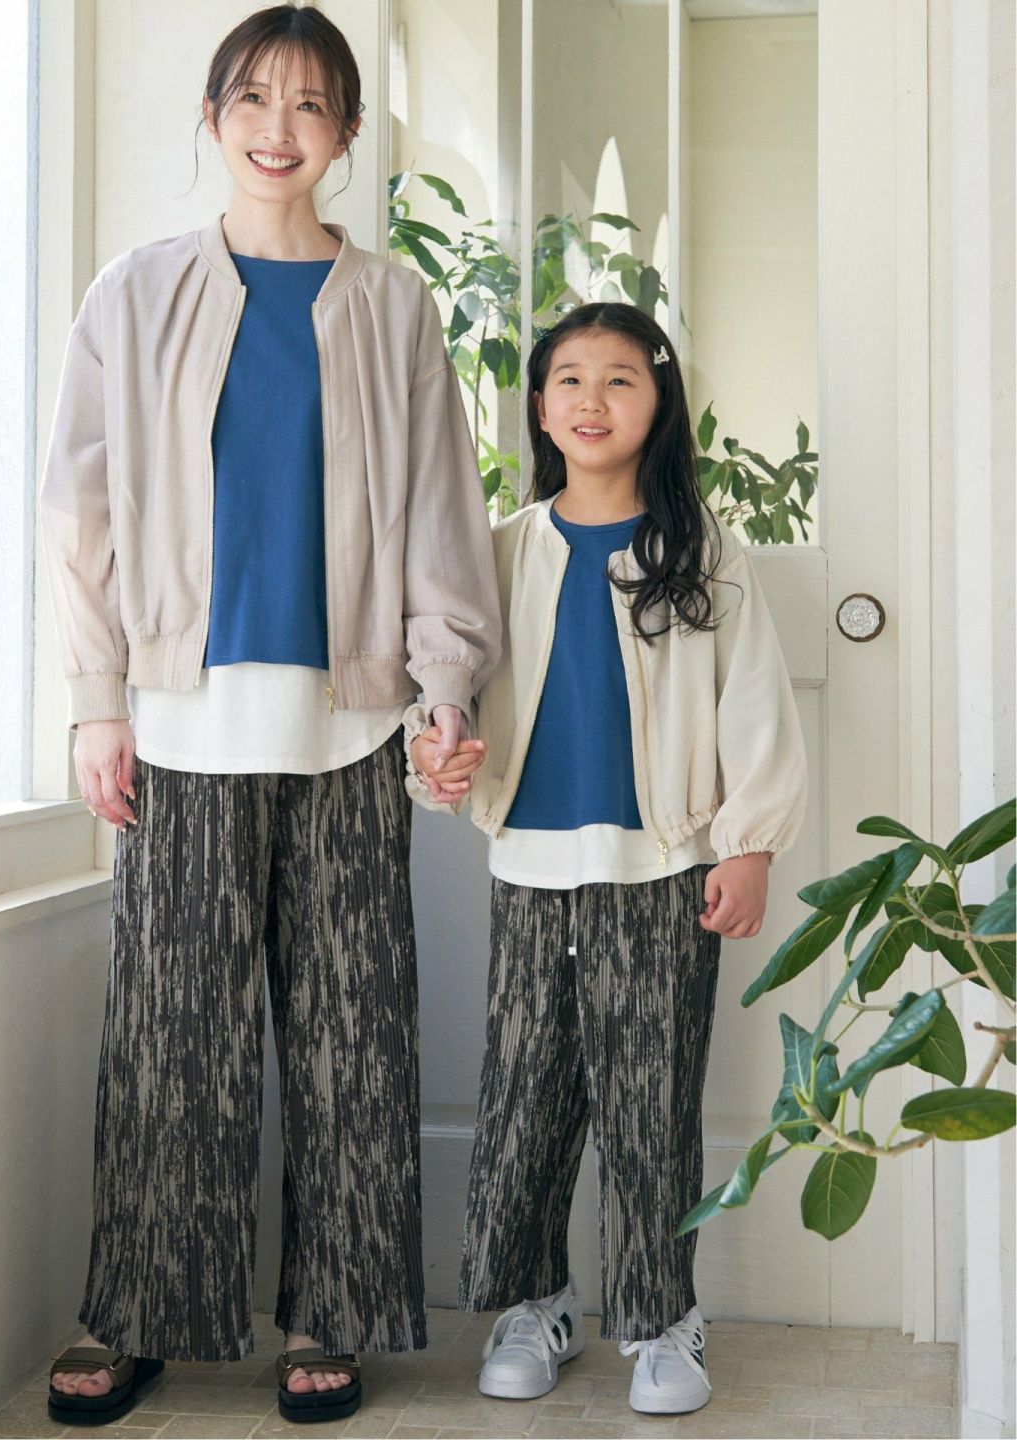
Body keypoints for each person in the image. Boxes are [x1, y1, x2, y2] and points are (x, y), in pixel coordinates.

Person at [37, 4, 500, 1426]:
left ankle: (331, 1320)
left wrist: (445, 688)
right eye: (252, 98)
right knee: (171, 1039)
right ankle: (139, 1315)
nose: (278, 128)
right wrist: (95, 703)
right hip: (177, 728)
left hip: (349, 729)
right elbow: (79, 513)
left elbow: (441, 514)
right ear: (213, 116)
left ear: (347, 132)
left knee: (354, 1036)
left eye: (309, 103)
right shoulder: (133, 293)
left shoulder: (395, 306)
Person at [406, 302, 807, 1416]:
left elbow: (755, 706)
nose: (592, 400)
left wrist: (750, 845)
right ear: (539, 408)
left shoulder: (702, 551)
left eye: (620, 378)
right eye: (570, 379)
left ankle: (662, 1319)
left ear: (659, 404)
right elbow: (439, 701)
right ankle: (531, 1302)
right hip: (530, 868)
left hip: (665, 869)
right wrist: (435, 759)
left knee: (651, 1106)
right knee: (524, 1099)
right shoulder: (498, 552)